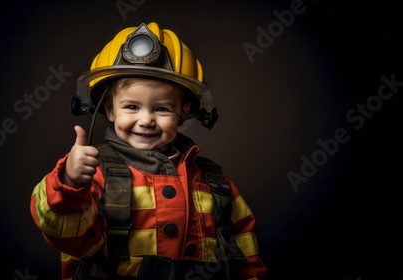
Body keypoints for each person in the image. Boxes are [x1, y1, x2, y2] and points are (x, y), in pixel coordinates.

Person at [30, 22, 266, 280]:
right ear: (109, 109)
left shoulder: (215, 183)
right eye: (131, 106)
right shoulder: (92, 174)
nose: (146, 120)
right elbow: (63, 236)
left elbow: (243, 250)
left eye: (162, 109)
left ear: (182, 113)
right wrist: (69, 183)